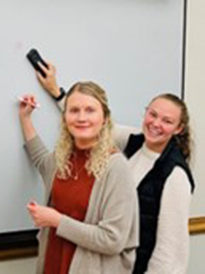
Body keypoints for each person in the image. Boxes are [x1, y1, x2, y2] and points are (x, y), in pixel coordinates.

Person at [36, 62, 195, 274]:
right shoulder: (135, 142)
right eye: (153, 114)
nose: (156, 123)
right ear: (145, 113)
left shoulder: (175, 175)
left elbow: (171, 250)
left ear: (178, 129)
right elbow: (89, 121)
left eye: (167, 121)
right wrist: (56, 92)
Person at [18, 82, 139, 273]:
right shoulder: (64, 157)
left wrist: (57, 221)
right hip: (54, 265)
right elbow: (41, 160)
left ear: (105, 118)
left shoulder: (116, 168)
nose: (81, 118)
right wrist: (25, 118)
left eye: (90, 110)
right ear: (65, 117)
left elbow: (113, 240)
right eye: (74, 110)